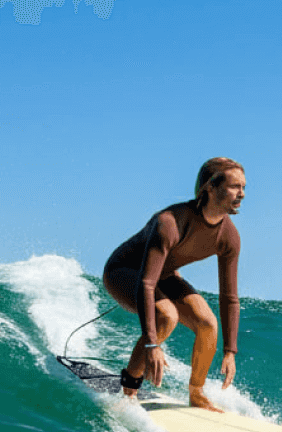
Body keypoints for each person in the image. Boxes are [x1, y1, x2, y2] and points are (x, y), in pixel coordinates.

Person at [102, 157, 245, 412]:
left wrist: (230, 351)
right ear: (210, 187)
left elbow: (229, 297)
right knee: (166, 315)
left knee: (207, 323)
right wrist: (152, 343)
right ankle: (128, 391)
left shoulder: (229, 237)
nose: (241, 194)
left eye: (244, 188)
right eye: (235, 186)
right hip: (122, 272)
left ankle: (197, 394)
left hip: (165, 275)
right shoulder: (170, 222)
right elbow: (146, 284)